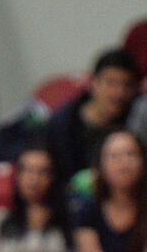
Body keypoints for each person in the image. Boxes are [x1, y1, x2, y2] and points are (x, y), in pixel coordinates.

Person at [45, 48, 139, 184]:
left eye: (126, 85)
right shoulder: (61, 124)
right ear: (93, 83)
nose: (119, 93)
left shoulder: (135, 122)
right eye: (111, 83)